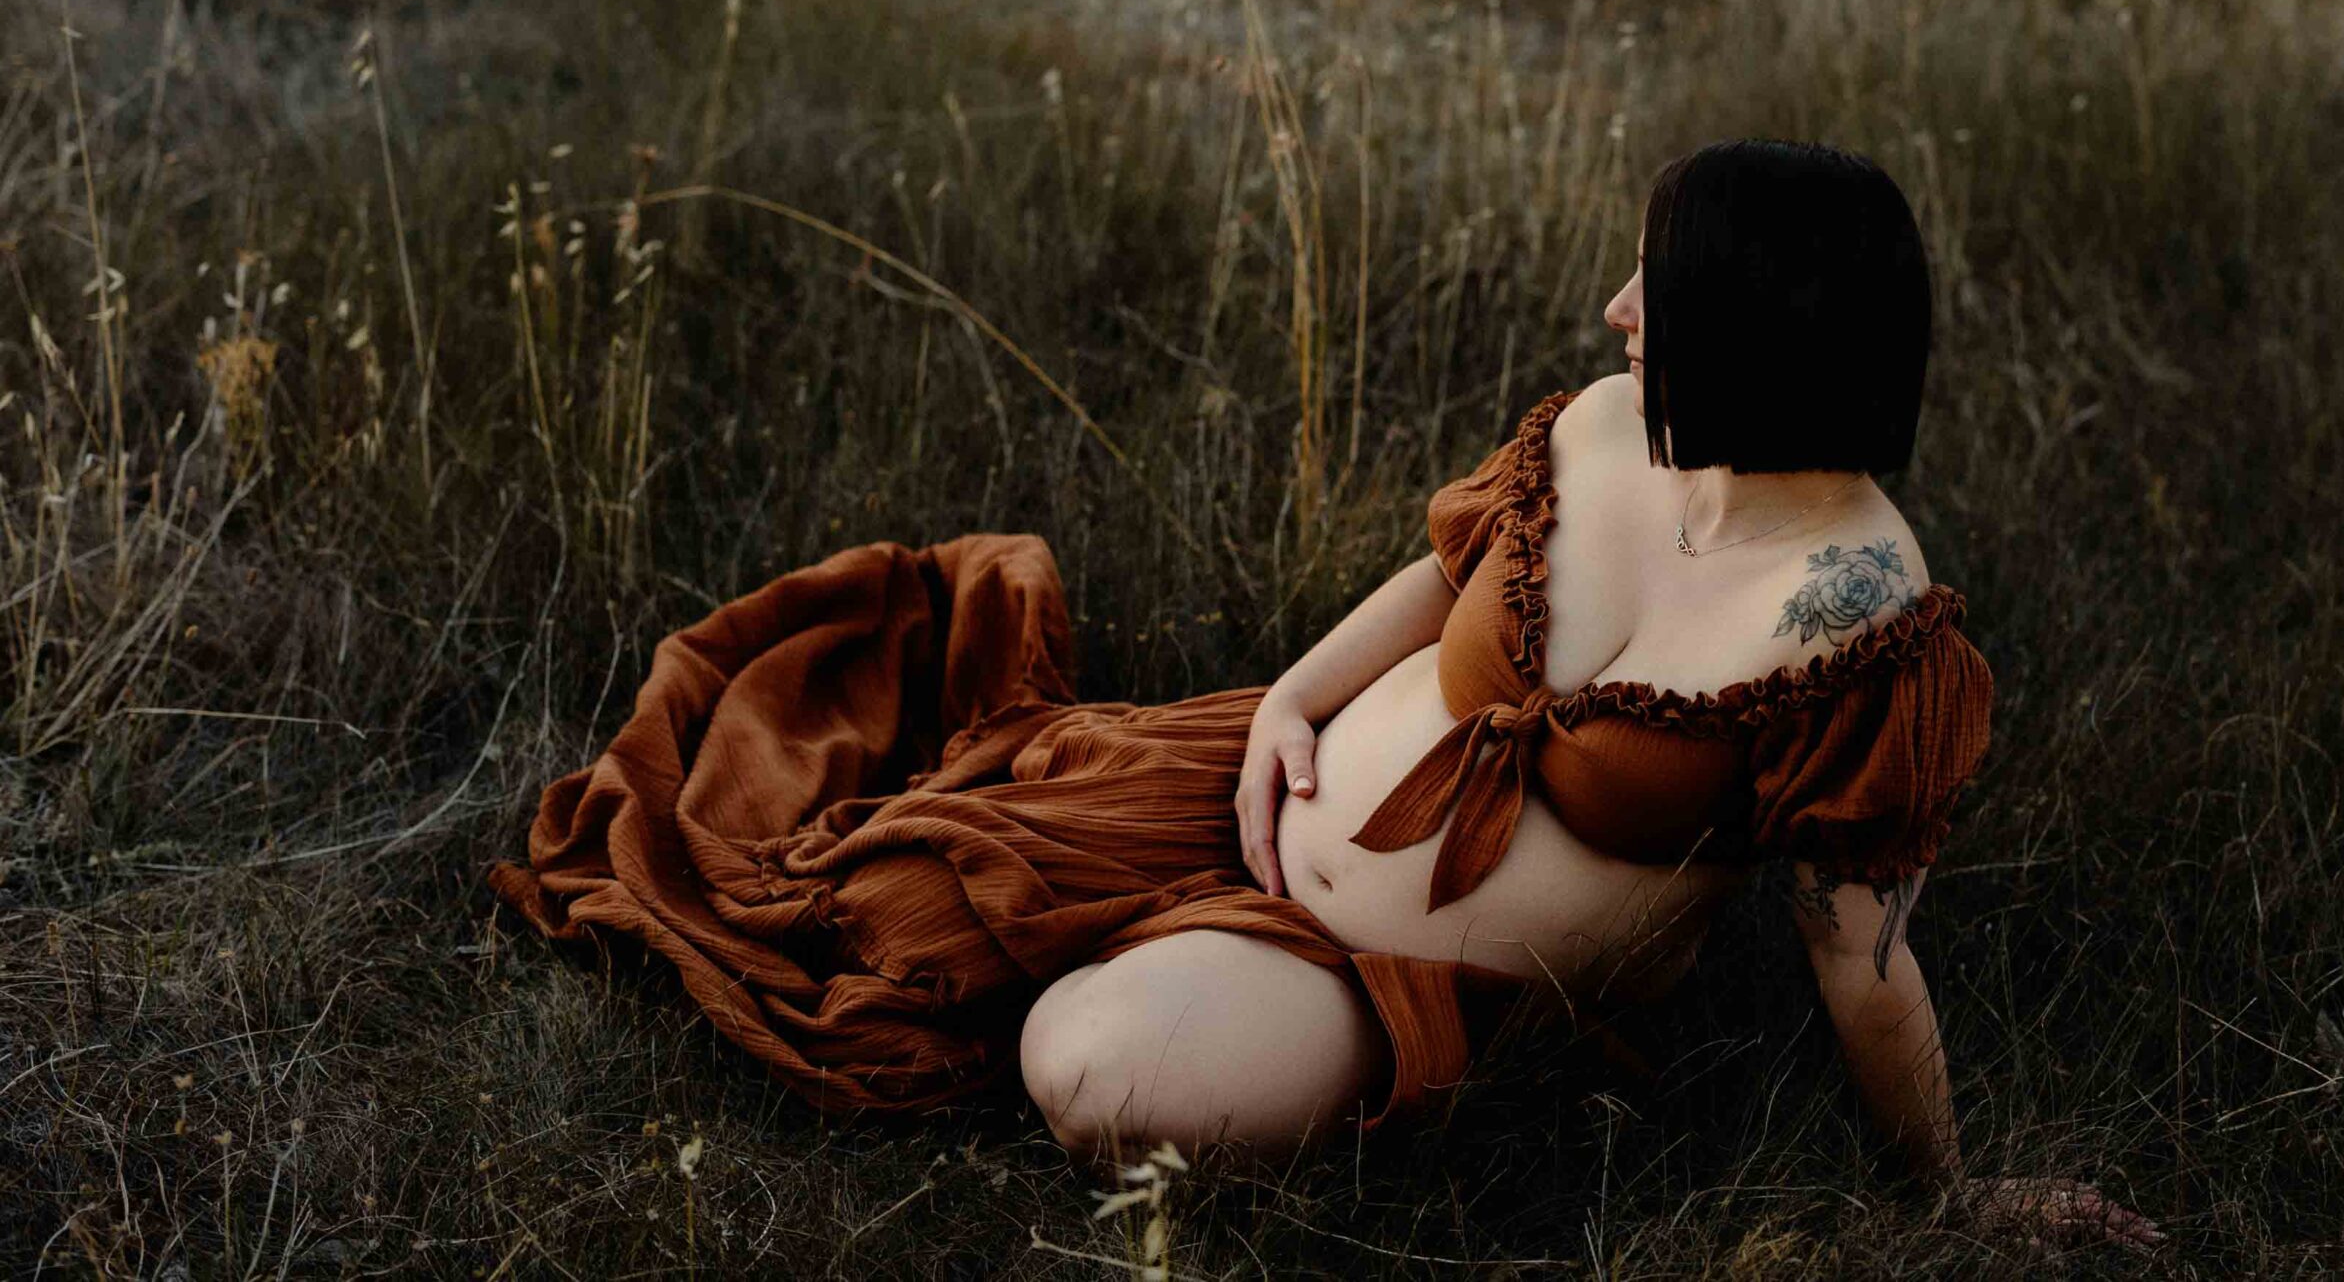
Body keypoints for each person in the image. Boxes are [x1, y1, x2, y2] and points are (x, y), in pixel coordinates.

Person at [488, 138, 2163, 1259]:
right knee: (883, 898)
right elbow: (1455, 578)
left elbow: (1862, 962)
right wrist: (1292, 703)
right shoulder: (1607, 427)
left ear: (1761, 330)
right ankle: (1156, 906)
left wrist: (1951, 1195)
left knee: (1092, 1075)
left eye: (1660, 284)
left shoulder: (1859, 624)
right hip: (1263, 791)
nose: (1617, 309)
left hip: (1405, 983)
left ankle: (1185, 975)